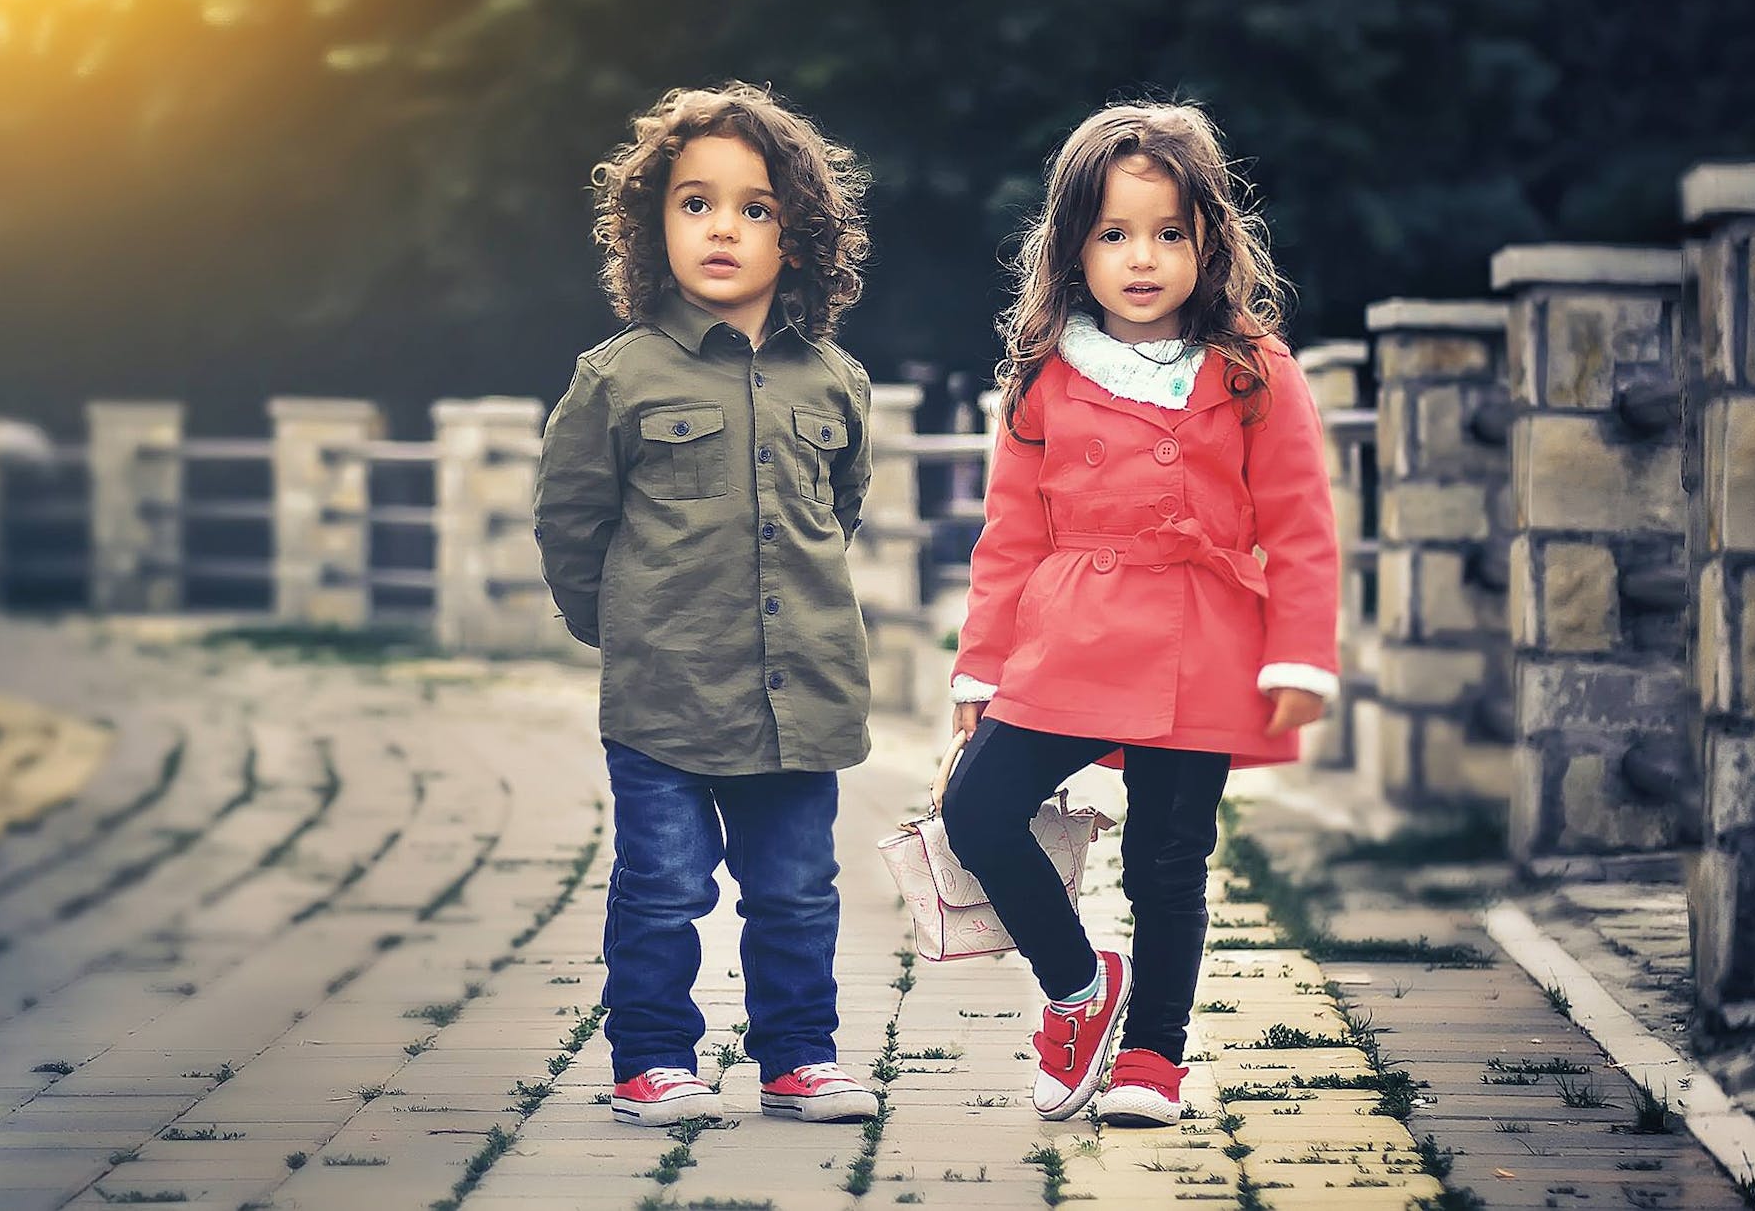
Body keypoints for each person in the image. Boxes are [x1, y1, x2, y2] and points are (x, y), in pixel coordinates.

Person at [941, 101, 1340, 1127]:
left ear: (1210, 239)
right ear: (1072, 248)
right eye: (1113, 233)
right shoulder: (1044, 377)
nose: (1142, 257)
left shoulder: (1252, 369)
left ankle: (1153, 1056)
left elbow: (1299, 524)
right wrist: (977, 678)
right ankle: (1079, 990)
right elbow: (1007, 541)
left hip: (1201, 637)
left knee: (1169, 855)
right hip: (1066, 636)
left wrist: (1298, 657)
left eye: (1168, 232)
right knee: (975, 809)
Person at [534, 82, 880, 1127]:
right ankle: (649, 1059)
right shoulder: (615, 379)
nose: (722, 226)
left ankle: (799, 1058)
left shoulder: (835, 384)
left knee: (795, 893)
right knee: (663, 888)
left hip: (802, 696)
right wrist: (628, 628)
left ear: (799, 237)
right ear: (654, 227)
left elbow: (840, 509)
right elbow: (569, 524)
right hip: (664, 697)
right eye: (695, 203)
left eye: (754, 207)